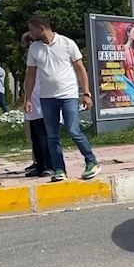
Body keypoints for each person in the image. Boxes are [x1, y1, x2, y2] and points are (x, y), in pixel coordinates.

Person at [24, 15, 101, 182]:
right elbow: (30, 75)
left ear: (42, 28)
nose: (30, 33)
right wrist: (28, 98)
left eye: (32, 30)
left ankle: (91, 161)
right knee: (52, 136)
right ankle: (59, 168)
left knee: (73, 130)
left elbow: (80, 68)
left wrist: (86, 93)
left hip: (68, 95)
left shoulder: (67, 43)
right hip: (47, 98)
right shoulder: (34, 48)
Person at [21, 32, 54, 178]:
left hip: (44, 99)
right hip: (33, 101)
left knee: (45, 137)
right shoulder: (31, 59)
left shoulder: (43, 56)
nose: (25, 50)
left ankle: (50, 165)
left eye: (26, 46)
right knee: (35, 136)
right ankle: (39, 165)